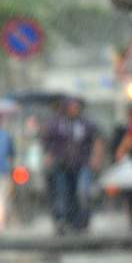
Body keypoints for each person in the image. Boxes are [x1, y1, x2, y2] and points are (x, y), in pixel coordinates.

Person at [40, 98, 102, 232]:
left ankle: (81, 220)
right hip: (61, 164)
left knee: (82, 191)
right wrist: (49, 155)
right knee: (62, 192)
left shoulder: (86, 123)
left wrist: (96, 157)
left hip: (82, 162)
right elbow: (46, 140)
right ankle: (62, 220)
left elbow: (97, 139)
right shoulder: (57, 124)